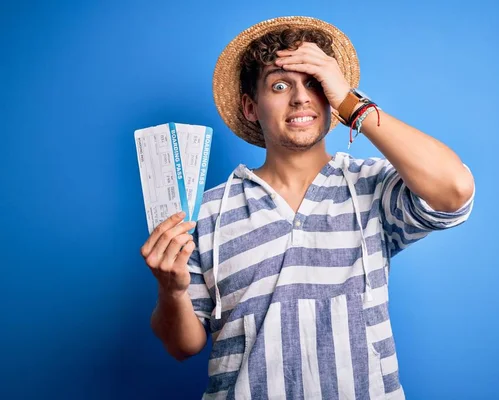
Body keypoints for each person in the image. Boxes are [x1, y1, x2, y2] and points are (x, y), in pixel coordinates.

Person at [141, 16, 475, 399]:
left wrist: (351, 102)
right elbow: (183, 346)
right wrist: (171, 290)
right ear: (251, 108)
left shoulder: (371, 186)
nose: (301, 98)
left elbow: (455, 190)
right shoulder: (207, 210)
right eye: (280, 85)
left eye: (315, 84)